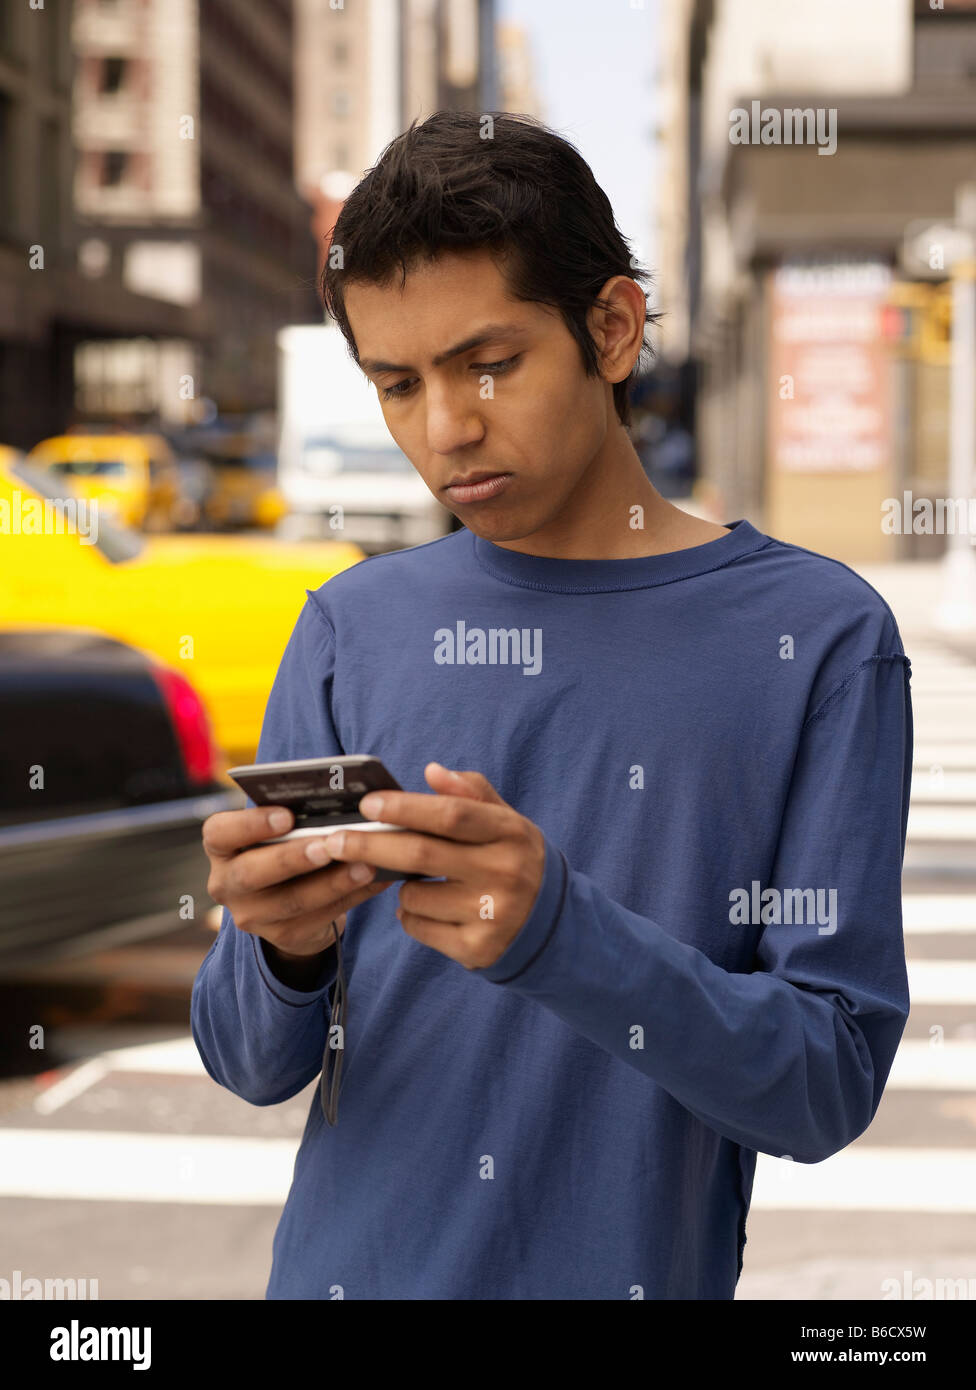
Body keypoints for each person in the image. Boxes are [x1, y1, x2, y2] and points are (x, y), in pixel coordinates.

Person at [191, 111, 913, 1300]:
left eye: (489, 364)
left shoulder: (821, 640)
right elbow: (250, 1063)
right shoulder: (349, 627)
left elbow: (823, 1086)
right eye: (397, 384)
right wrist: (282, 945)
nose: (445, 428)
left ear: (612, 327)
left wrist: (563, 937)